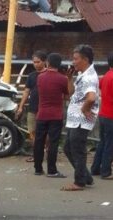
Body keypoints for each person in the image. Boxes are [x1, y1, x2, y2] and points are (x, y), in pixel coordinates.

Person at [62, 44, 98, 191]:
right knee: (68, 148)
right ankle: (86, 176)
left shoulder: (89, 77)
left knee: (77, 150)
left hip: (80, 120)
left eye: (76, 59)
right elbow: (71, 94)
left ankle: (79, 182)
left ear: (85, 59)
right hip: (74, 119)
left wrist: (85, 109)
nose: (73, 61)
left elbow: (91, 97)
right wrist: (69, 78)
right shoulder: (81, 74)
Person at [33, 53, 68, 177]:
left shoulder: (40, 77)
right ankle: (52, 170)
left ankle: (38, 168)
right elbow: (67, 94)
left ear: (47, 62)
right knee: (53, 142)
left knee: (39, 141)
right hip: (56, 115)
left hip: (41, 113)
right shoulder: (63, 79)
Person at [16, 51, 47, 162]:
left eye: (38, 62)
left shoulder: (49, 75)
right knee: (32, 132)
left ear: (44, 61)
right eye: (34, 62)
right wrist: (20, 106)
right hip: (32, 108)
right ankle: (36, 154)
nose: (36, 64)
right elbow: (26, 91)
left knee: (45, 133)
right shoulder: (31, 76)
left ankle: (47, 152)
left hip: (45, 109)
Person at [91, 52, 113, 179]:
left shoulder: (106, 76)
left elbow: (98, 86)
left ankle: (95, 168)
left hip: (103, 113)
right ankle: (105, 171)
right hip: (111, 115)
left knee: (102, 142)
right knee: (110, 144)